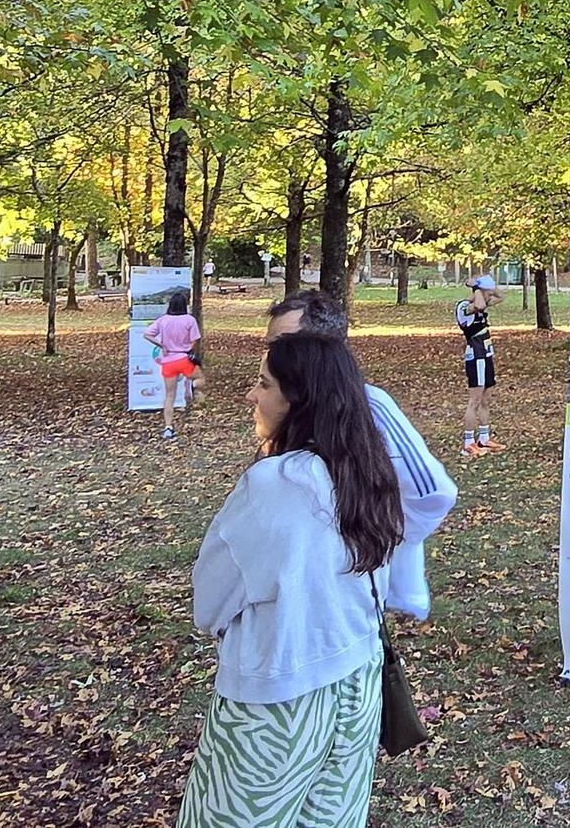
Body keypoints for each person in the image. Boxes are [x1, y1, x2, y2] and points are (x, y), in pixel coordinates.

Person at [178, 314, 404, 828]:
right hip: (358, 686)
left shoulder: (273, 486)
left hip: (279, 693)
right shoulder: (369, 472)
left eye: (264, 384)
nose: (252, 396)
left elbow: (209, 599)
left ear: (297, 399)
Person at [265, 289, 457, 619]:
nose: (273, 356)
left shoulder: (370, 406)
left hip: (362, 598)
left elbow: (435, 493)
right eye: (270, 345)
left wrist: (377, 546)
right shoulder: (279, 408)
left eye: (284, 345)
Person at [147, 291, 206, 441]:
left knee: (169, 396)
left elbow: (147, 334)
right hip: (184, 358)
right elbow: (195, 339)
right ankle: (192, 386)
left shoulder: (163, 320)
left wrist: (162, 344)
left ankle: (168, 427)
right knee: (200, 379)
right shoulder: (189, 320)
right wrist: (188, 349)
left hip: (168, 361)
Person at [458, 275, 503, 458]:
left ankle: (484, 438)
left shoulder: (483, 299)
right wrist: (476, 288)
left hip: (487, 354)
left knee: (486, 398)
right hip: (475, 356)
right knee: (474, 401)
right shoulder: (463, 307)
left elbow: (501, 296)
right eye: (487, 292)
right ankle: (468, 442)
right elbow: (479, 306)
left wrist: (487, 286)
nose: (490, 295)